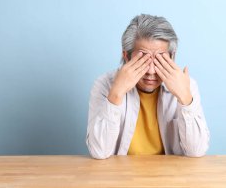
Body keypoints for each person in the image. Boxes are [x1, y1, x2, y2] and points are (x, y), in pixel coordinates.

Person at [86, 14, 210, 159]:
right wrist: (116, 94)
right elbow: (99, 152)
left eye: (159, 60)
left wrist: (185, 99)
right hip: (122, 177)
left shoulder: (186, 85)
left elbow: (196, 151)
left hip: (170, 176)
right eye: (143, 59)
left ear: (172, 57)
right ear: (126, 56)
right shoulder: (105, 84)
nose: (151, 72)